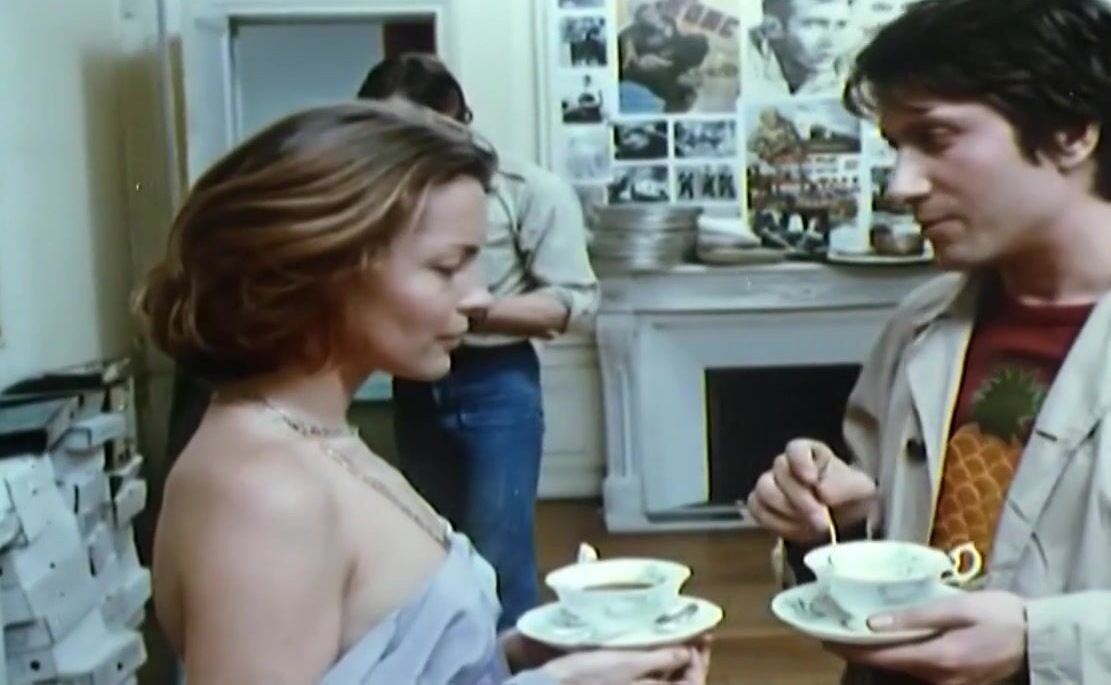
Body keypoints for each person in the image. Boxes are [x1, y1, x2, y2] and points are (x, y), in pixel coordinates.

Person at [747, 0, 1111, 685]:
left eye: (936, 138)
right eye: (897, 146)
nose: (901, 185)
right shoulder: (919, 325)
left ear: (1072, 131)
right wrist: (832, 530)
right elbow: (884, 558)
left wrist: (1043, 641)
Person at [140, 101, 708, 683]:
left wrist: (521, 660)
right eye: (446, 267)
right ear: (324, 266)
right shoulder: (263, 494)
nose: (478, 296)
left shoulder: (318, 436)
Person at [357, 54, 600, 631]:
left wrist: (472, 310)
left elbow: (576, 303)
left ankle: (512, 666)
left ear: (456, 117)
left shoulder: (528, 190)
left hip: (497, 384)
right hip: (414, 382)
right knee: (425, 550)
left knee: (499, 556)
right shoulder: (376, 193)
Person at [745, 0, 858, 98]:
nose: (831, 41)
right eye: (815, 24)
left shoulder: (853, 68)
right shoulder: (742, 62)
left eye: (841, 25)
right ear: (772, 28)